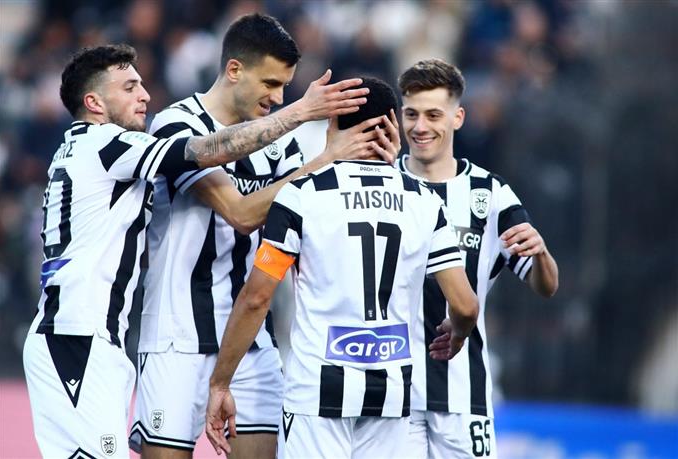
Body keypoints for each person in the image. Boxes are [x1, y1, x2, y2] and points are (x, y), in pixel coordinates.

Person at [21, 43, 375, 458]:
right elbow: (208, 156)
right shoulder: (107, 143)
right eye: (129, 87)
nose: (145, 95)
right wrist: (301, 114)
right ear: (94, 103)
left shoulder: (82, 148)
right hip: (81, 335)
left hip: (95, 335)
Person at [129, 13, 397, 459]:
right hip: (178, 338)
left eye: (286, 87)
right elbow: (240, 212)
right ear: (234, 69)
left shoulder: (282, 144)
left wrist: (380, 167)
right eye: (271, 83)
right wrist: (319, 150)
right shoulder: (176, 126)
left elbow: (310, 220)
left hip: (251, 341)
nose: (278, 97)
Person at [204, 77, 480, 459]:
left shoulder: (302, 195)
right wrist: (458, 332)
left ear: (332, 125)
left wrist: (221, 383)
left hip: (318, 392)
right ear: (393, 127)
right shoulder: (425, 201)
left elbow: (257, 298)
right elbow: (465, 305)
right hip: (391, 393)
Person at [396, 58, 559, 458]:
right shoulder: (382, 184)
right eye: (411, 114)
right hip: (391, 395)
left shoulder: (491, 194)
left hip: (462, 395)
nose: (420, 126)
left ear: (458, 118)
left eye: (433, 115)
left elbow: (546, 286)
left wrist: (540, 253)